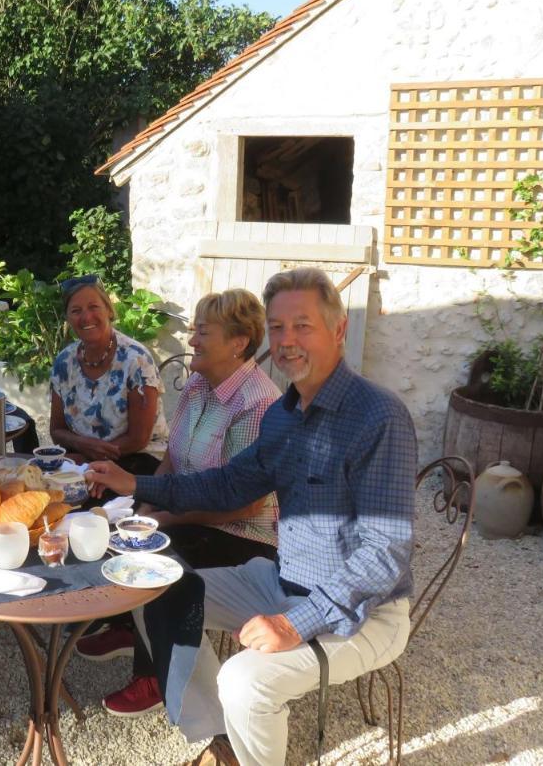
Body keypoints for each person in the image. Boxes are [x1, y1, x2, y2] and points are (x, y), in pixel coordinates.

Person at [87, 268, 417, 766]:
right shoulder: (285, 414)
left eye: (302, 325)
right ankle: (223, 743)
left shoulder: (378, 416)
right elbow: (228, 484)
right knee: (150, 586)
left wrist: (295, 623)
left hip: (363, 614)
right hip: (285, 580)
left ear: (339, 329)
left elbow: (385, 553)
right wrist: (135, 483)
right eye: (279, 328)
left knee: (243, 681)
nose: (287, 341)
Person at [78, 289, 281, 719]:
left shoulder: (258, 405)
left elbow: (242, 505)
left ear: (239, 341)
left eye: (202, 332)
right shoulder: (198, 384)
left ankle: (156, 675)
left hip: (240, 535)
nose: (191, 341)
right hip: (189, 510)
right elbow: (173, 457)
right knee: (122, 525)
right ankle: (128, 625)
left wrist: (160, 518)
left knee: (152, 553)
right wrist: (145, 502)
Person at [50, 275, 169, 476]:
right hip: (84, 460)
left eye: (93, 307)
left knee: (80, 498)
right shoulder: (64, 362)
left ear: (109, 311)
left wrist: (90, 458)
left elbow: (138, 439)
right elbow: (56, 430)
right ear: (68, 319)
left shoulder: (135, 360)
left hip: (140, 459)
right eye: (76, 311)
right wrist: (80, 444)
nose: (86, 317)